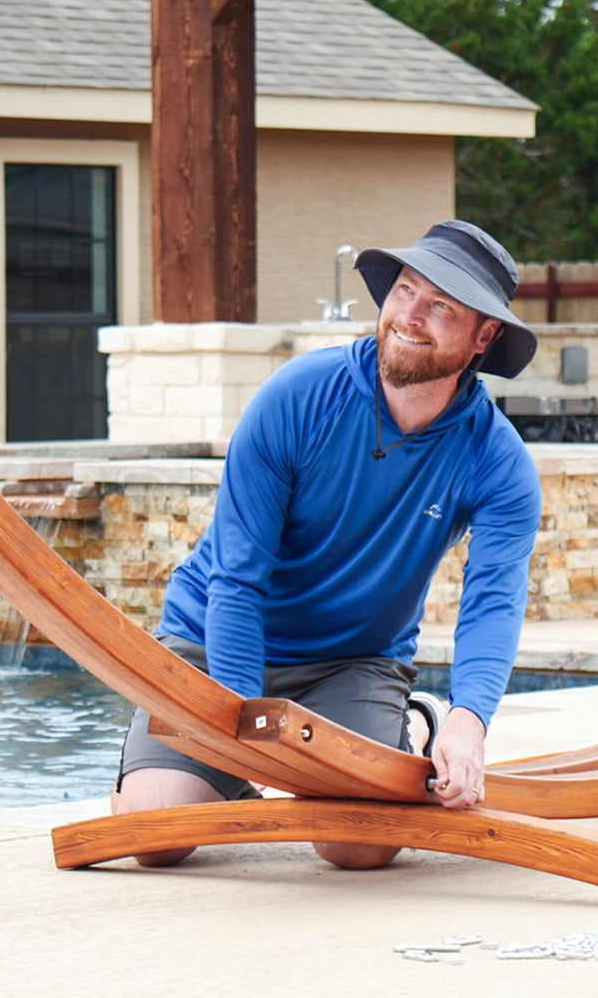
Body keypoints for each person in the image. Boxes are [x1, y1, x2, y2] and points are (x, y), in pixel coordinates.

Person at [112, 219, 542, 868]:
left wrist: (468, 721)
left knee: (357, 850)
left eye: (441, 305)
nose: (409, 316)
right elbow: (236, 579)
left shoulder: (498, 463)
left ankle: (415, 724)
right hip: (212, 642)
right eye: (404, 291)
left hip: (351, 662)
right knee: (154, 835)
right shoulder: (296, 397)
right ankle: (220, 777)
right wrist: (246, 728)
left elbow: (492, 603)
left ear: (485, 335)